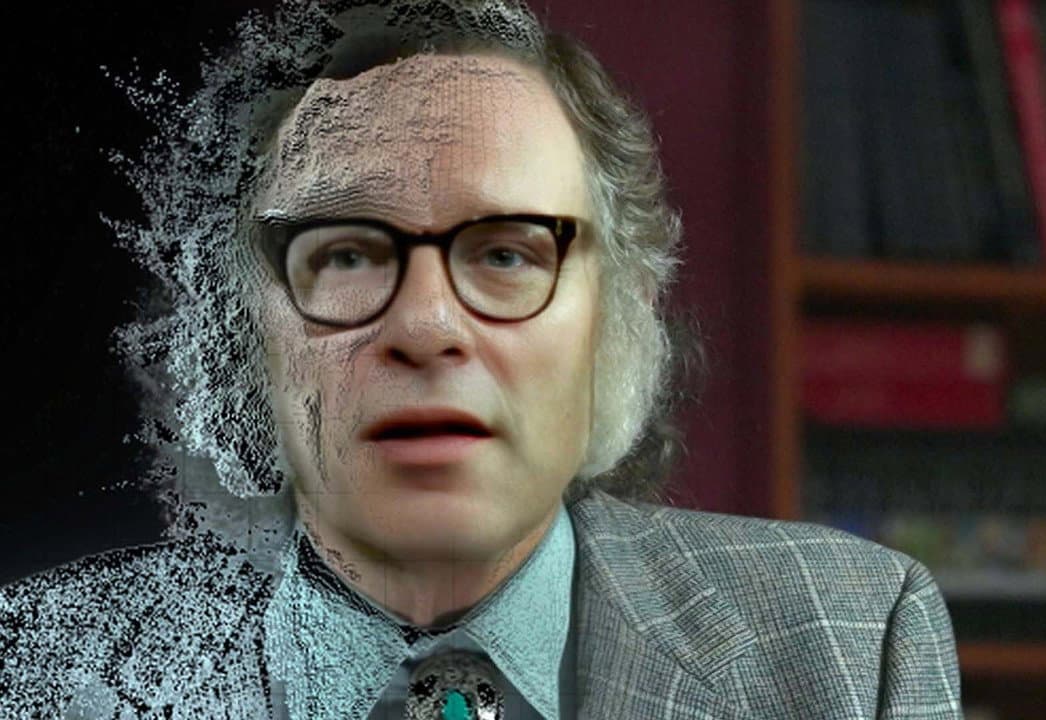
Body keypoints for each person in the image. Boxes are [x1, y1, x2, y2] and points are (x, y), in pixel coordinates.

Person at [0, 1, 962, 718]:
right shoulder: (36, 676)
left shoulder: (856, 646)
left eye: (506, 255)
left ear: (616, 320)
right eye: (348, 255)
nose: (426, 325)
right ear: (245, 335)